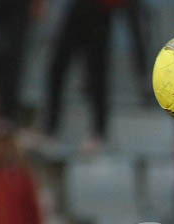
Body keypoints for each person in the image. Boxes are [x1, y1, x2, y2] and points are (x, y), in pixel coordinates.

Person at [43, 0, 149, 151]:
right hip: (84, 7)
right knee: (59, 64)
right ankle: (50, 128)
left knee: (96, 70)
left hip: (101, 9)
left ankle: (98, 132)